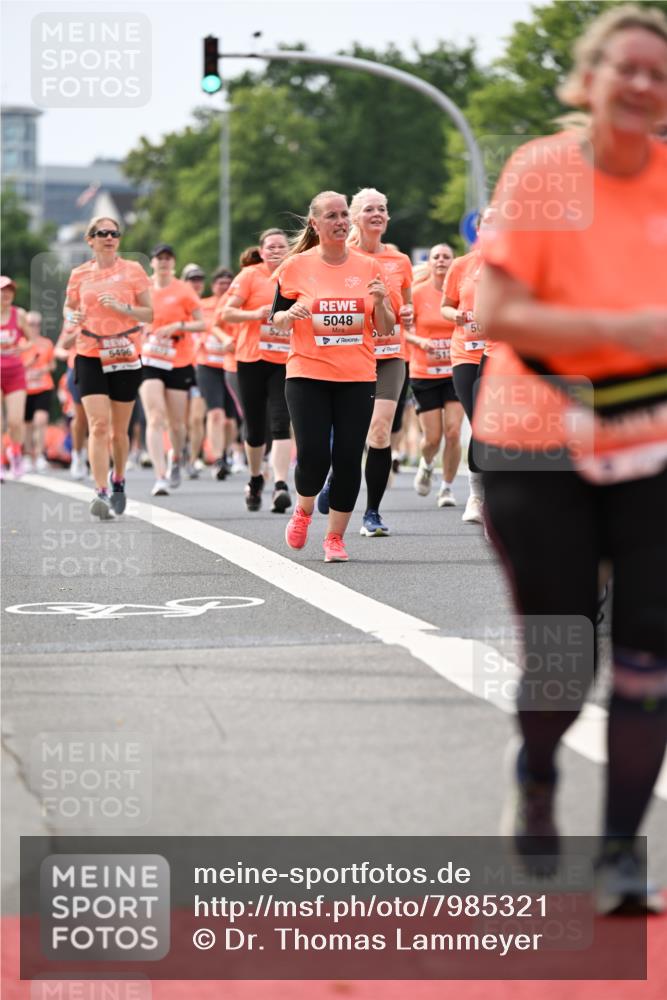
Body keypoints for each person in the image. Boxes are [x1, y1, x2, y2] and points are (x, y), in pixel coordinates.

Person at [473, 4, 667, 912]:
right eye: (624, 67)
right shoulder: (544, 171)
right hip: (535, 442)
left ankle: (621, 853)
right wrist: (626, 334)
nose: (641, 84)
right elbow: (496, 314)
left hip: (649, 444)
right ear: (586, 80)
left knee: (647, 657)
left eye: (657, 74)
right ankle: (538, 769)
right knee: (563, 659)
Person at [271, 190, 396, 563]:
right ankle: (303, 509)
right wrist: (289, 316)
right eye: (332, 216)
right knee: (313, 457)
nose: (341, 222)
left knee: (347, 458)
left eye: (344, 215)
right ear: (315, 223)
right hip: (306, 373)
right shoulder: (295, 266)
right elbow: (276, 319)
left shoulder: (369, 267)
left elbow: (385, 328)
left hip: (356, 376)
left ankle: (335, 538)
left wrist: (382, 302)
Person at [64, 217, 152, 518]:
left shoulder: (134, 270)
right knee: (98, 425)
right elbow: (68, 306)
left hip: (124, 352)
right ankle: (100, 490)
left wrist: (121, 307)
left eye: (114, 233)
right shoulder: (79, 274)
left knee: (119, 431)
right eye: (103, 233)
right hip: (89, 352)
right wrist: (71, 317)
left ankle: (119, 480)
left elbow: (149, 313)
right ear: (90, 239)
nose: (110, 237)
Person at [346, 188, 413, 536]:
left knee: (380, 429)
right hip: (352, 354)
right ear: (355, 217)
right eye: (369, 209)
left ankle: (371, 513)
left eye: (382, 209)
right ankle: (335, 480)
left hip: (391, 355)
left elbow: (407, 304)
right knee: (351, 432)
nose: (377, 214)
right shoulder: (343, 257)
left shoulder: (400, 261)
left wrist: (408, 312)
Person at [220, 230, 293, 513]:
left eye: (281, 246)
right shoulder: (250, 276)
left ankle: (281, 485)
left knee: (281, 422)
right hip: (251, 359)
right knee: (255, 428)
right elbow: (227, 313)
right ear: (261, 252)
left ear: (289, 250)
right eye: (270, 247)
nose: (276, 251)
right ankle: (254, 479)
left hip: (284, 359)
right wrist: (255, 314)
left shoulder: (296, 274)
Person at [140, 244, 204, 496]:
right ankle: (160, 476)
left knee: (176, 424)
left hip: (179, 359)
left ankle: (176, 456)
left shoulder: (184, 290)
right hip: (150, 358)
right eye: (160, 258)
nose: (164, 262)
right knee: (155, 417)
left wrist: (178, 326)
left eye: (168, 258)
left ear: (174, 263)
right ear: (152, 262)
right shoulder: (142, 288)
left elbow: (202, 323)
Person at [407, 244, 465, 508]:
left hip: (455, 369)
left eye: (446, 257)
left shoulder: (461, 293)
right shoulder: (418, 293)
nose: (441, 260)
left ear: (454, 262)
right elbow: (401, 331)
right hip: (425, 372)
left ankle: (447, 488)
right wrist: (419, 341)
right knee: (432, 438)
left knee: (453, 431)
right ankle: (427, 463)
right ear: (429, 263)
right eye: (436, 257)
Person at [441, 227, 485, 524]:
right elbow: (445, 306)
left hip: (500, 353)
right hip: (466, 354)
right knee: (480, 421)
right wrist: (453, 315)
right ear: (478, 230)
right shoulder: (461, 265)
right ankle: (476, 495)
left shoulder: (515, 261)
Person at [193, 265, 239, 479]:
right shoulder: (203, 305)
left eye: (228, 283)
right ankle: (218, 458)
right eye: (221, 283)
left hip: (231, 365)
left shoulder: (237, 305)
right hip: (207, 365)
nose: (224, 287)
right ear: (213, 286)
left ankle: (226, 453)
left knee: (230, 419)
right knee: (215, 413)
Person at [180, 262, 210, 478]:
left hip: (202, 367)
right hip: (180, 366)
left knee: (197, 418)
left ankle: (193, 459)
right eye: (192, 279)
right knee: (180, 420)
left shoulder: (208, 306)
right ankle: (180, 451)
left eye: (199, 279)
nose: (196, 283)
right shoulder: (178, 305)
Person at [0, 275, 30, 479]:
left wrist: (23, 347)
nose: (6, 294)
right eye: (3, 290)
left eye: (10, 290)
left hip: (15, 372)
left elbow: (31, 340)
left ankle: (16, 453)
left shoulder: (19, 315)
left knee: (15, 421)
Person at [22, 311, 55, 472]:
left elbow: (53, 364)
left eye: (37, 324)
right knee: (27, 424)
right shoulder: (20, 344)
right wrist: (30, 364)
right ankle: (28, 456)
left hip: (43, 387)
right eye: (30, 324)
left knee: (40, 420)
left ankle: (40, 454)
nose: (34, 327)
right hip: (25, 388)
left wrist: (43, 369)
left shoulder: (46, 343)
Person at [55, 321, 88, 479]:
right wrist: (81, 331)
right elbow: (61, 346)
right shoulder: (74, 317)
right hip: (77, 368)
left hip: (104, 366)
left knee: (101, 418)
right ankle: (78, 455)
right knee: (80, 417)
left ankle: (97, 461)